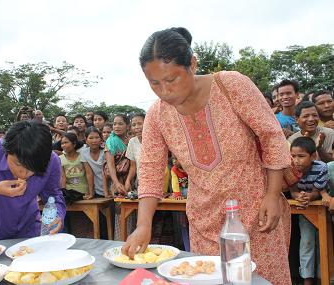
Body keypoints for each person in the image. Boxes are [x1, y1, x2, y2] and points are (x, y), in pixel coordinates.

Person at [122, 27, 292, 285]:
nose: (165, 91)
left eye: (171, 80)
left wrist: (271, 194)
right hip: (205, 222)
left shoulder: (230, 85)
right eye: (154, 83)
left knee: (262, 279)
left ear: (192, 64)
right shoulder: (157, 115)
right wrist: (143, 224)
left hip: (257, 214)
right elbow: (151, 169)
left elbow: (271, 135)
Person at [289, 137, 331, 285]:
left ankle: (322, 277)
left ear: (313, 156)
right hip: (304, 208)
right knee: (306, 242)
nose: (296, 160)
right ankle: (307, 278)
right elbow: (293, 191)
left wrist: (308, 197)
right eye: (293, 156)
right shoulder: (289, 169)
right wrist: (299, 197)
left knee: (322, 243)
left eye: (301, 156)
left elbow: (317, 192)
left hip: (320, 208)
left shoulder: (321, 167)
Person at [60, 133, 94, 199]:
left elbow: (89, 174)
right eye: (62, 143)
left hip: (84, 192)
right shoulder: (60, 159)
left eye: (66, 142)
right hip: (69, 194)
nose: (63, 145)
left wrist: (91, 192)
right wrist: (63, 194)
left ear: (74, 144)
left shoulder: (83, 156)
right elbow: (63, 178)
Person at [104, 114, 130, 196]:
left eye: (120, 124)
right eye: (114, 124)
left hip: (129, 178)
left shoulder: (131, 140)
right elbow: (110, 164)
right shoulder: (111, 141)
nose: (116, 127)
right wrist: (116, 183)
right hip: (115, 179)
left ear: (127, 126)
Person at [81, 127, 109, 198]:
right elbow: (89, 174)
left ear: (101, 139)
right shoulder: (84, 153)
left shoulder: (106, 151)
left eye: (97, 137)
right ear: (86, 140)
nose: (94, 140)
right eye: (91, 138)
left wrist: (107, 192)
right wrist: (91, 193)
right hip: (98, 190)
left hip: (111, 188)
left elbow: (107, 171)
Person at [125, 113, 145, 192]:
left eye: (140, 124)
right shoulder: (132, 142)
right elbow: (133, 166)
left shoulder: (155, 139)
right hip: (141, 182)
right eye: (134, 125)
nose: (137, 127)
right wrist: (128, 180)